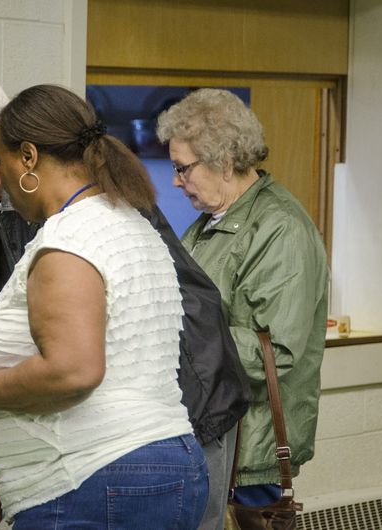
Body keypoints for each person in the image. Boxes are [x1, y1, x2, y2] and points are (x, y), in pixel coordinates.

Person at [0, 63, 249, 527]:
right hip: (123, 452)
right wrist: (22, 449)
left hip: (155, 432)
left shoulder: (75, 226)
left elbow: (81, 364)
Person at [156, 88, 328, 509]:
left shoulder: (279, 228)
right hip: (215, 432)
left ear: (224, 160)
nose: (176, 181)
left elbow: (276, 351)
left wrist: (168, 335)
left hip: (250, 448)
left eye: (183, 169)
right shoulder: (213, 221)